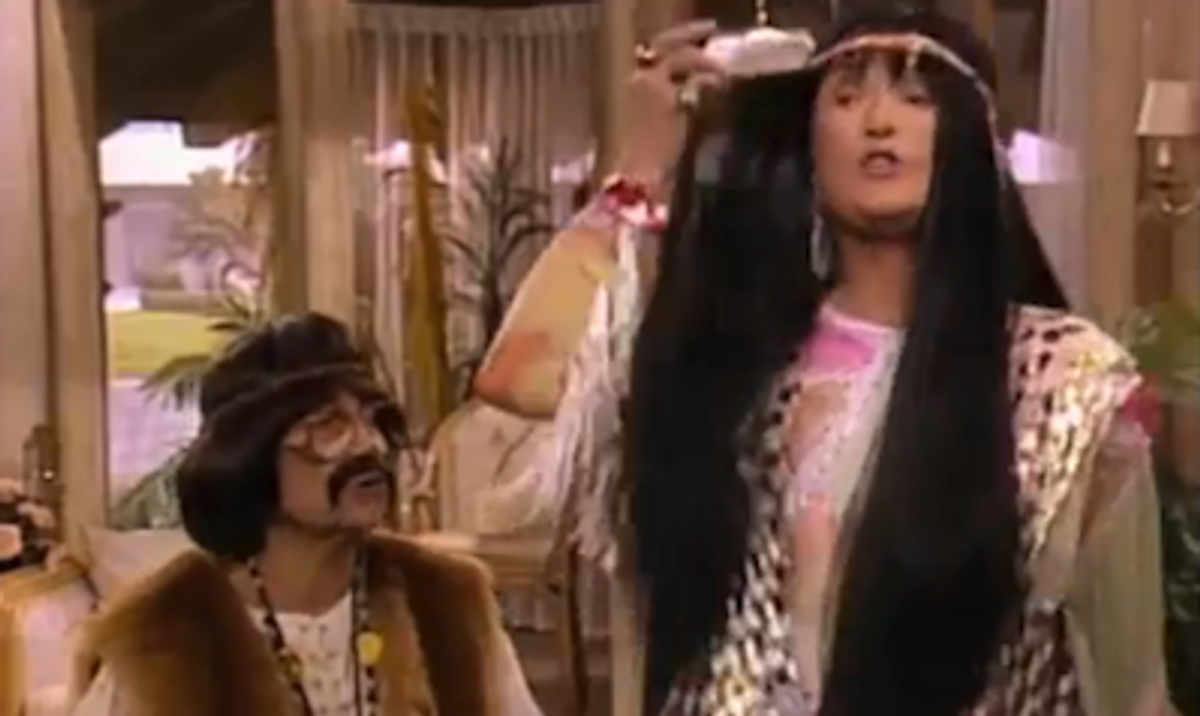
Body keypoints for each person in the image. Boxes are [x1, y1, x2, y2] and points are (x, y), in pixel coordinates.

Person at [482, 7, 1173, 716]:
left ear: (976, 146)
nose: (879, 121)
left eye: (916, 98)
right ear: (809, 148)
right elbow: (517, 378)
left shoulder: (1062, 384)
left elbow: (1134, 693)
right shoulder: (740, 361)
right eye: (846, 97)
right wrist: (640, 169)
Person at [71, 313, 542, 716]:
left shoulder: (444, 600)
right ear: (251, 458)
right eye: (329, 426)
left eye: (373, 420)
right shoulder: (161, 635)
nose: (370, 445)